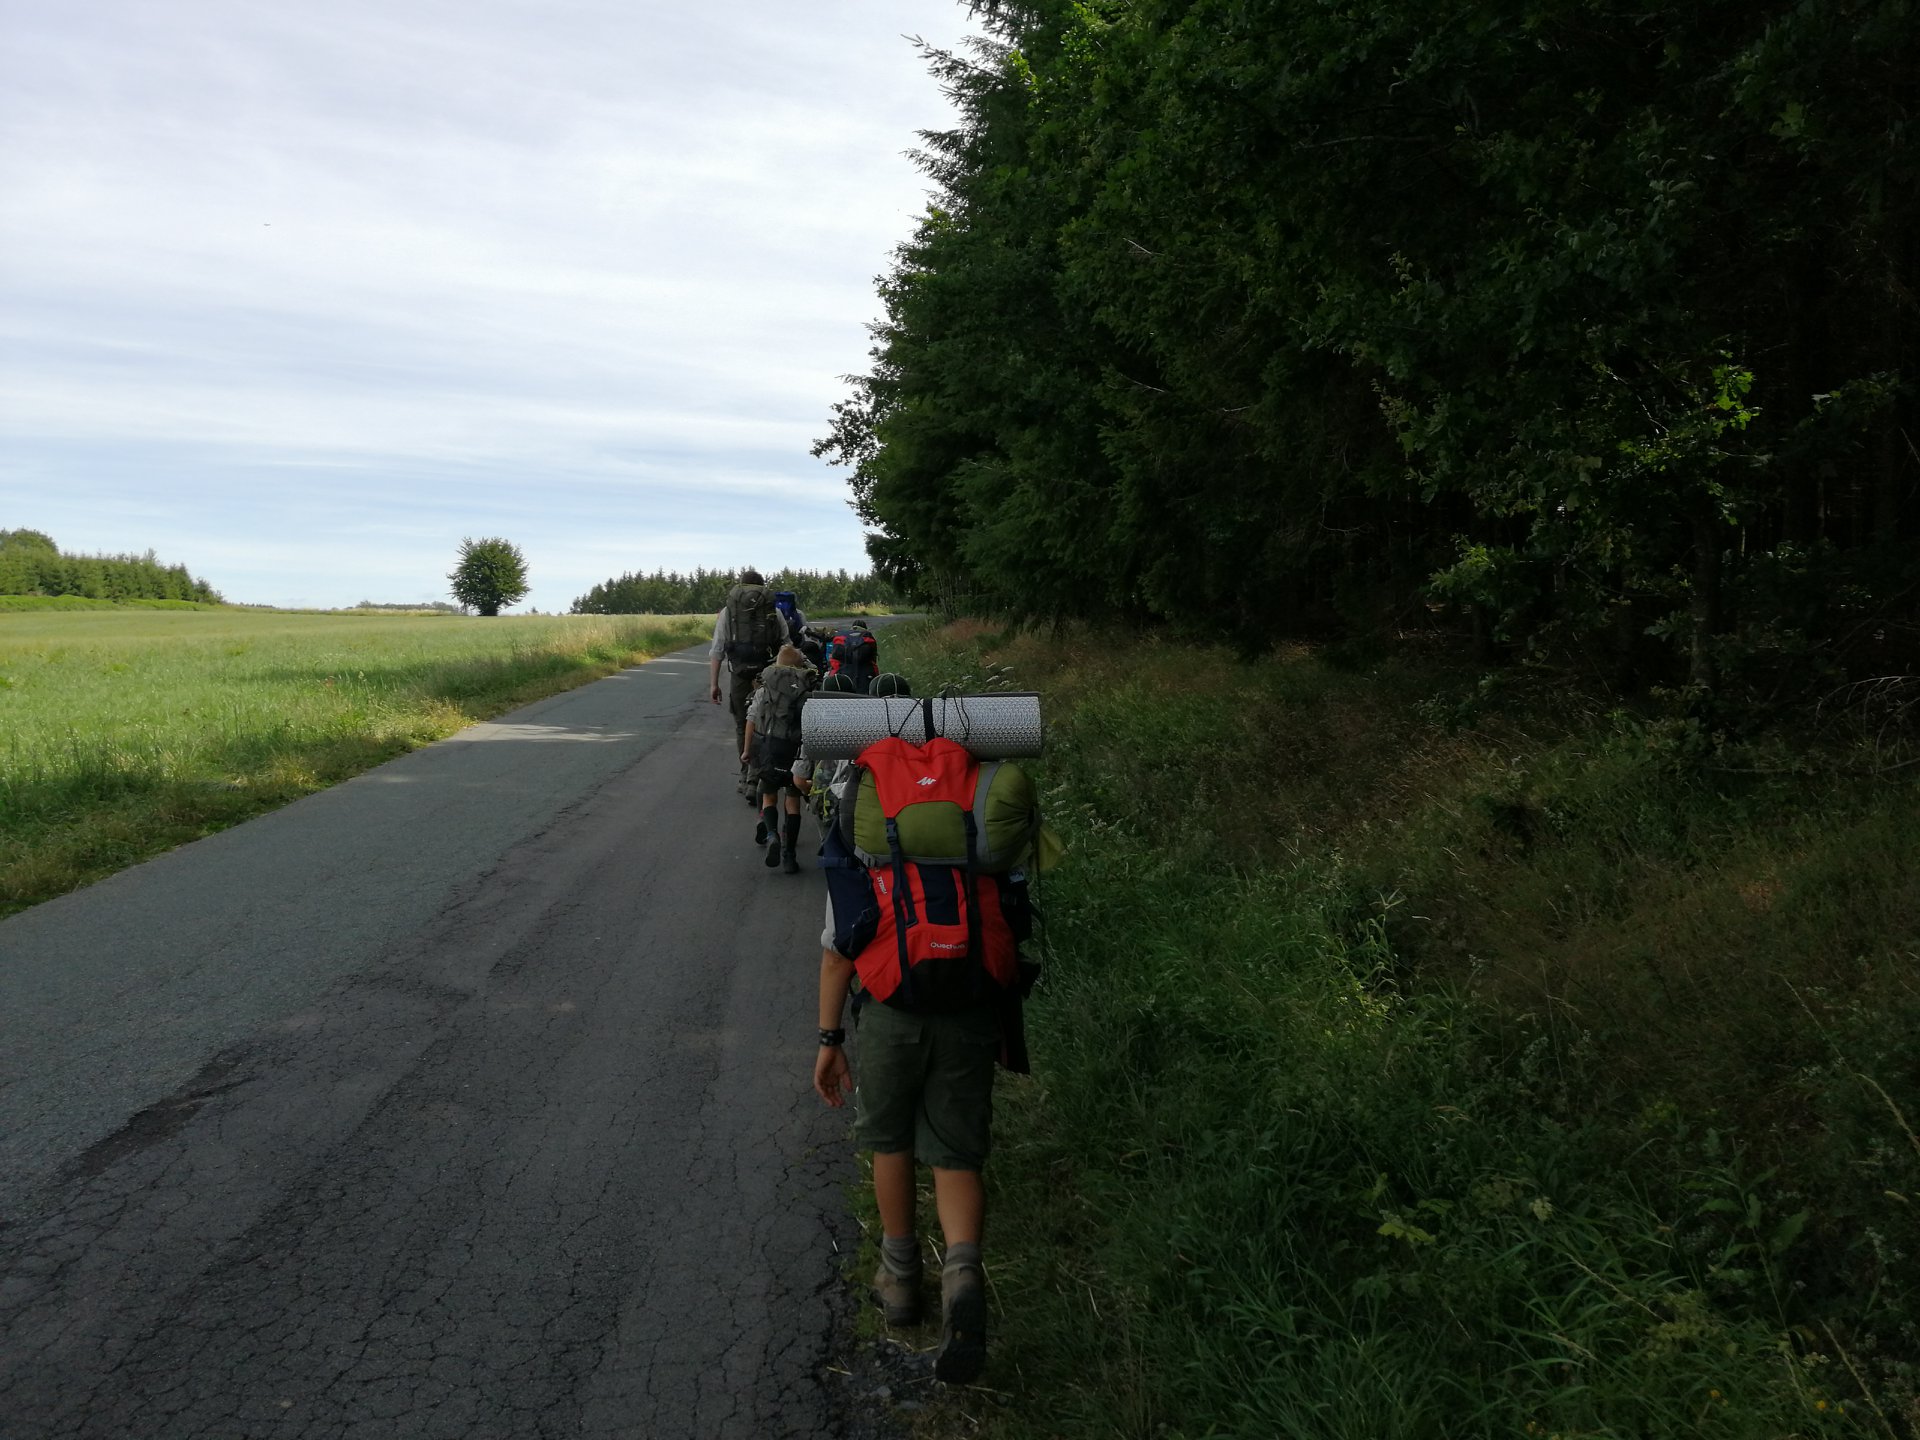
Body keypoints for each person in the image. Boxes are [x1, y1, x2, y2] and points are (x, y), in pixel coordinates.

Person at [708, 569, 786, 795]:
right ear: (763, 587)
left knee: (743, 724)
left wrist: (714, 684)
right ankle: (762, 774)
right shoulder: (773, 611)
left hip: (740, 674)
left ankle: (746, 775)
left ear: (740, 587)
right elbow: (786, 644)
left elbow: (718, 649)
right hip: (768, 675)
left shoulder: (728, 611)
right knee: (768, 722)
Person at [740, 644, 814, 874]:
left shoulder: (764, 689)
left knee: (769, 797)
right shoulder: (806, 690)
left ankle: (771, 834)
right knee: (792, 804)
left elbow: (751, 720)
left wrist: (746, 751)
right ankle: (789, 854)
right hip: (795, 753)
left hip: (768, 751)